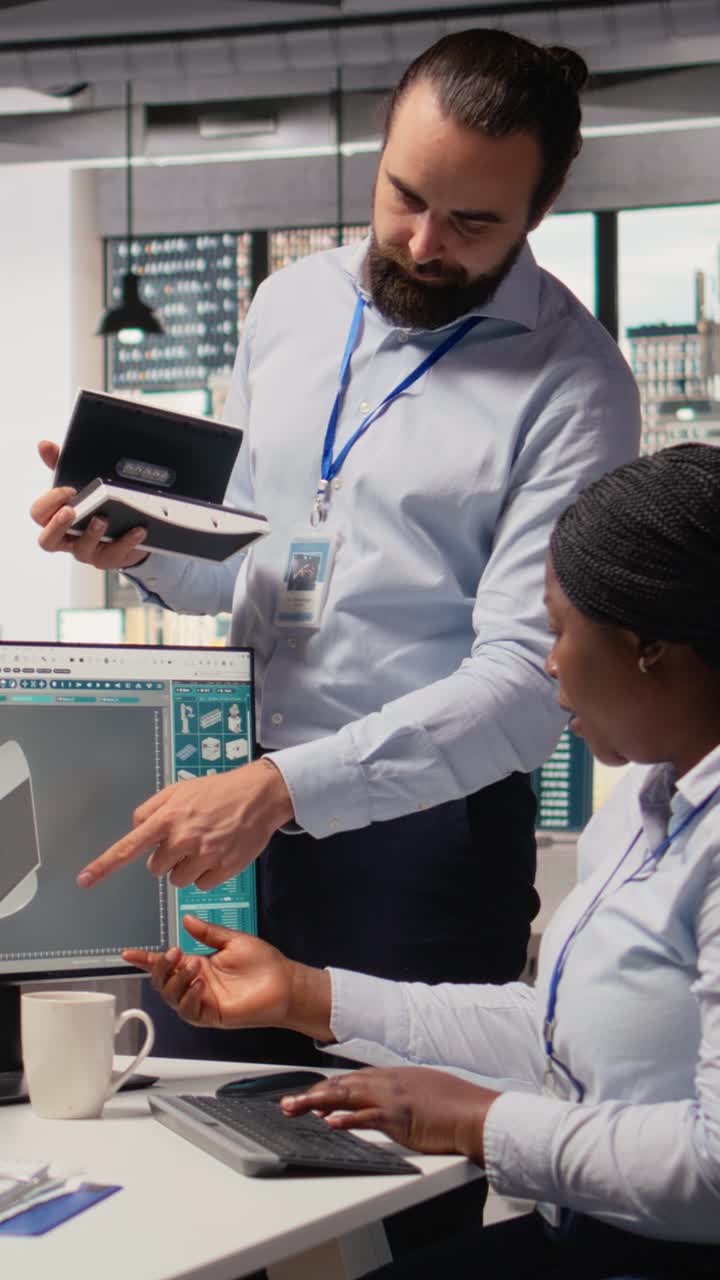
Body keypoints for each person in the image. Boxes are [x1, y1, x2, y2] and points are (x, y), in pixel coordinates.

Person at [31, 29, 640, 1062]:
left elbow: (527, 682)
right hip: (232, 812)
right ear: (379, 151)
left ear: (538, 213)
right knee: (200, 1141)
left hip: (424, 843)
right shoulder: (291, 305)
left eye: (471, 221)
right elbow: (236, 562)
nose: (421, 241)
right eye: (404, 194)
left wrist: (284, 787)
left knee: (399, 1182)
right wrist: (134, 546)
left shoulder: (576, 387)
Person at [125, 443, 720, 1279]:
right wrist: (306, 995)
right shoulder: (638, 810)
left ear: (646, 644)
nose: (547, 663)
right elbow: (553, 1035)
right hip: (586, 1237)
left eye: (558, 631)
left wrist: (479, 1122)